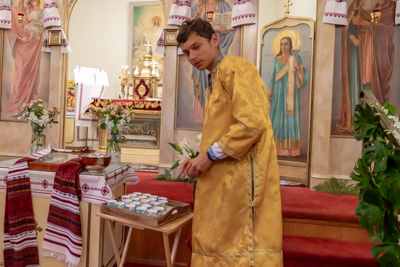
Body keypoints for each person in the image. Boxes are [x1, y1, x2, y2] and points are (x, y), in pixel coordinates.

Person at [177, 18, 283, 266]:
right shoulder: (218, 73)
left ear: (215, 40)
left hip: (243, 181)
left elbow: (252, 124)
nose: (192, 57)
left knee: (240, 249)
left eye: (197, 47)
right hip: (227, 177)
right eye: (186, 52)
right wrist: (199, 159)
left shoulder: (237, 69)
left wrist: (209, 156)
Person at [337, 0, 395, 133]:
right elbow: (348, 28)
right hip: (356, 54)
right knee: (355, 84)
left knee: (371, 85)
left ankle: (372, 122)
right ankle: (356, 119)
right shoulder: (356, 4)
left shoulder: (385, 4)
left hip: (373, 54)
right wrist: (351, 37)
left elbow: (386, 30)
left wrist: (366, 24)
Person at [190, 0, 236, 123]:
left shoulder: (224, 5)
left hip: (220, 45)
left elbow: (231, 29)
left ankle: (217, 116)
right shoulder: (198, 5)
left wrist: (225, 30)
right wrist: (198, 12)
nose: (191, 57)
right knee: (203, 82)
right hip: (205, 49)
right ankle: (204, 115)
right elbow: (190, 32)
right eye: (187, 53)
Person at [267, 37, 308, 157]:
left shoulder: (295, 58)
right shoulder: (276, 60)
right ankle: (277, 149)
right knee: (278, 118)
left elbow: (304, 76)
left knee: (290, 119)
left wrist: (298, 68)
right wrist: (270, 89)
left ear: (290, 46)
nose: (283, 47)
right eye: (281, 44)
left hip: (291, 94)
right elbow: (272, 77)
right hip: (279, 93)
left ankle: (291, 150)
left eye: (286, 44)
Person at [6, 0, 44, 114]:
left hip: (32, 47)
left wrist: (35, 33)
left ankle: (28, 105)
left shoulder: (34, 11)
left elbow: (40, 27)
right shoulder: (14, 11)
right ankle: (17, 103)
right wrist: (19, 38)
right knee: (21, 73)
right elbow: (11, 30)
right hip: (20, 47)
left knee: (30, 73)